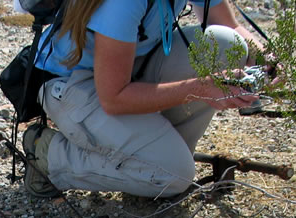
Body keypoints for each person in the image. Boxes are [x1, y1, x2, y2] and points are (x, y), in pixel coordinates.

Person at [22, 0, 270, 198]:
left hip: (129, 69)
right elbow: (114, 98)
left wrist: (267, 59)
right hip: (72, 84)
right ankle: (49, 155)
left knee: (226, 43)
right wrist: (202, 88)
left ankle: (150, 159)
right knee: (173, 176)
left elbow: (229, 26)